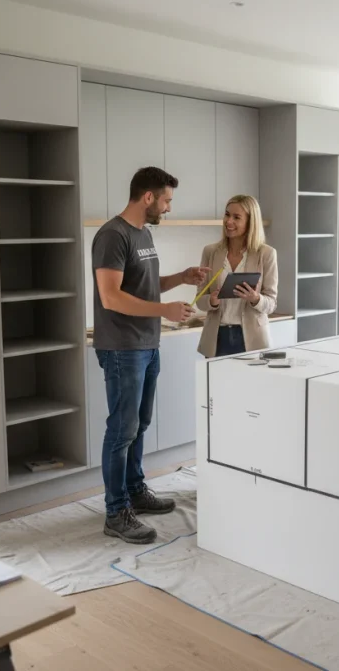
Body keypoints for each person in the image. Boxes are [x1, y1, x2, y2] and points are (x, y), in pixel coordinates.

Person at [93, 166, 209, 544]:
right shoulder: (113, 235)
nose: (169, 208)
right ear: (148, 198)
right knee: (121, 430)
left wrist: (181, 277)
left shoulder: (143, 234)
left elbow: (144, 285)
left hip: (147, 344)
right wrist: (165, 311)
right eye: (167, 200)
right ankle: (116, 512)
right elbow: (111, 297)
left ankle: (135, 492)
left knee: (139, 425)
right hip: (123, 348)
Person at [196, 195, 278, 358]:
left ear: (250, 222)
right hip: (217, 338)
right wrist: (211, 301)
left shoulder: (266, 254)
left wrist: (255, 299)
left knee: (248, 384)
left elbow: (272, 304)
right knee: (216, 384)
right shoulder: (210, 252)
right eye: (227, 214)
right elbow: (199, 299)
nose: (229, 221)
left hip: (252, 339)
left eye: (236, 217)